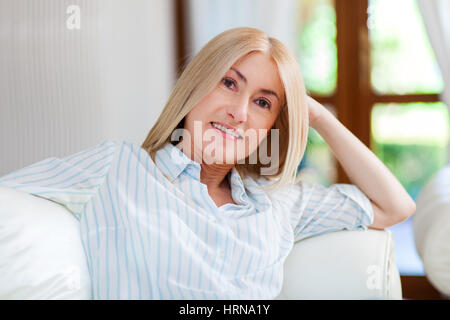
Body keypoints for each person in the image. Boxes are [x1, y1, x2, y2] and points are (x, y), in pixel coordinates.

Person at [0, 27, 416, 299]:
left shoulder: (278, 203)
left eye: (263, 102)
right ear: (196, 85)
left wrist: (318, 115)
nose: (238, 111)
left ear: (273, 125)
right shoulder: (116, 168)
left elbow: (396, 206)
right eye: (229, 82)